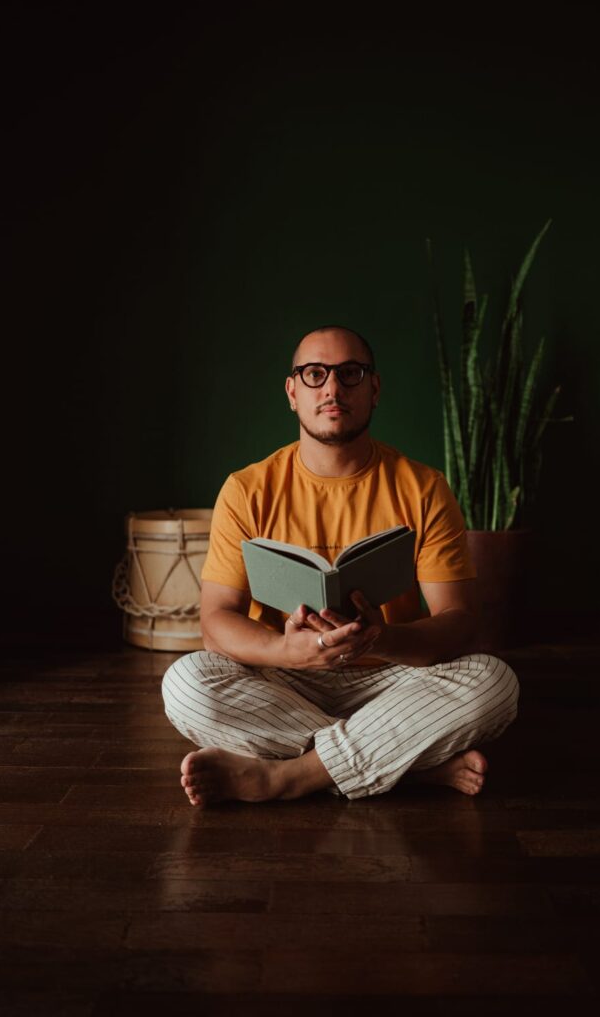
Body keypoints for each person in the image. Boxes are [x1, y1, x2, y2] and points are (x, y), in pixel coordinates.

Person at [162, 326, 519, 806]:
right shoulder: (247, 489)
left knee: (494, 683)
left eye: (350, 373)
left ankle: (285, 778)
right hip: (285, 679)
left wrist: (382, 638)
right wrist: (292, 652)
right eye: (315, 374)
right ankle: (409, 767)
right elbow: (215, 622)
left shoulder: (424, 488)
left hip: (393, 677)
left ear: (374, 389)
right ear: (293, 392)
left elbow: (459, 622)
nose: (332, 388)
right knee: (185, 684)